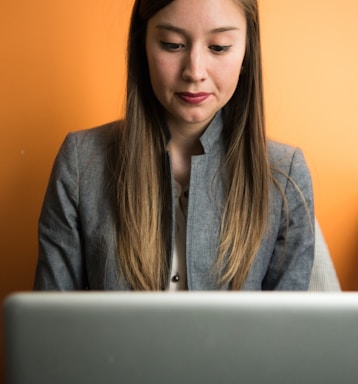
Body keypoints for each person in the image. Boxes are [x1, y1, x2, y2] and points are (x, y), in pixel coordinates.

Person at [34, 0, 314, 291]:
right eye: (171, 44)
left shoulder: (286, 173)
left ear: (247, 53)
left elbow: (288, 333)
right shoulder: (80, 163)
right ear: (142, 45)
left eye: (218, 47)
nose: (195, 71)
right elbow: (50, 329)